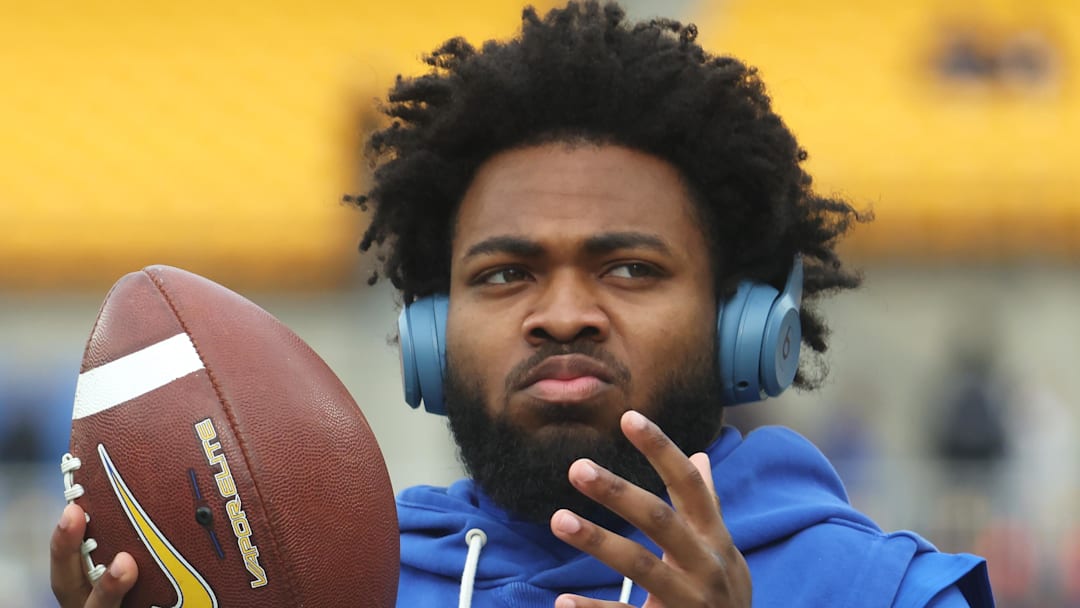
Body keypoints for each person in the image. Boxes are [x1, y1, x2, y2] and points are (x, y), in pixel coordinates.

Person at [50, 2, 994, 606]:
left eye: (629, 269)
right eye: (505, 275)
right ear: (430, 337)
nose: (564, 313)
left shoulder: (883, 593)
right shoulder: (342, 583)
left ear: (744, 325)